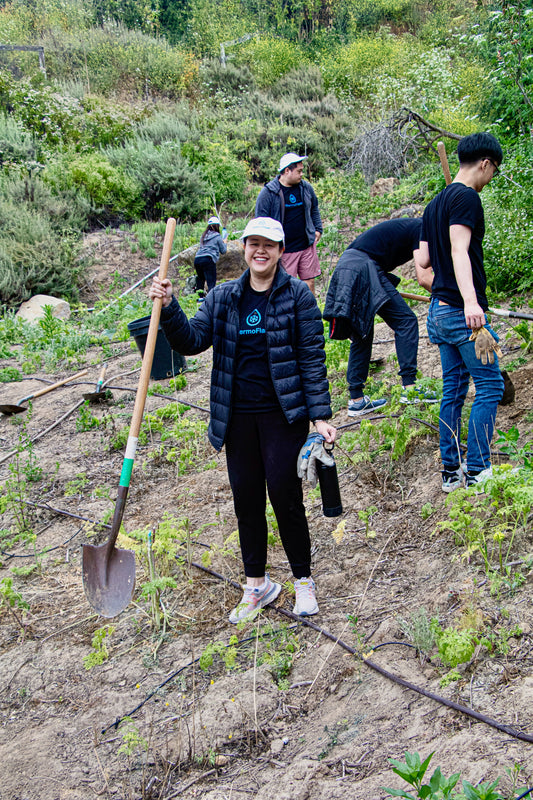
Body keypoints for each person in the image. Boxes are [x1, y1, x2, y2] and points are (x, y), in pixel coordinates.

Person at [149, 216, 336, 624]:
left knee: (286, 499)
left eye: (269, 244)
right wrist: (169, 307)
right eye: (253, 243)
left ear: (281, 250)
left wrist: (320, 415)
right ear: (245, 248)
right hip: (236, 418)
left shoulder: (298, 298)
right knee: (246, 500)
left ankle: (303, 580)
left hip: (282, 415)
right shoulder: (224, 297)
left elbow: (311, 359)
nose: (260, 251)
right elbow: (193, 340)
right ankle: (257, 585)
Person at [417, 132, 504, 492]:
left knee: (452, 390)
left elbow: (422, 261)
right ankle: (480, 470)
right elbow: (459, 250)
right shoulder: (466, 197)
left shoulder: (435, 203)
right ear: (485, 163)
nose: (491, 179)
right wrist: (470, 302)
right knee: (490, 385)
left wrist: (448, 292)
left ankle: (451, 474)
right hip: (458, 310)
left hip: (438, 310)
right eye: (493, 171)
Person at [323, 218, 436, 416]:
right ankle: (410, 388)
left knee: (362, 330)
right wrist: (450, 294)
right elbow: (424, 278)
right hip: (363, 266)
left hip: (348, 266)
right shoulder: (424, 228)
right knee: (406, 321)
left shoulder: (415, 227)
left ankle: (356, 399)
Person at [255, 153, 323, 295]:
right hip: (285, 250)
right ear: (287, 171)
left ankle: (309, 315)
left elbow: (314, 208)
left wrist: (318, 229)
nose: (301, 174)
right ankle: (289, 316)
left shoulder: (305, 188)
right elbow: (260, 222)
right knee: (286, 286)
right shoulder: (269, 193)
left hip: (306, 246)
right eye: (299, 171)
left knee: (309, 282)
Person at [193, 216, 227, 298]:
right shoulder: (217, 236)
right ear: (217, 226)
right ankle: (211, 300)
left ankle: (199, 298)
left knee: (200, 280)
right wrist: (225, 242)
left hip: (197, 259)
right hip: (208, 259)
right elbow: (223, 251)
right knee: (211, 282)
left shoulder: (203, 236)